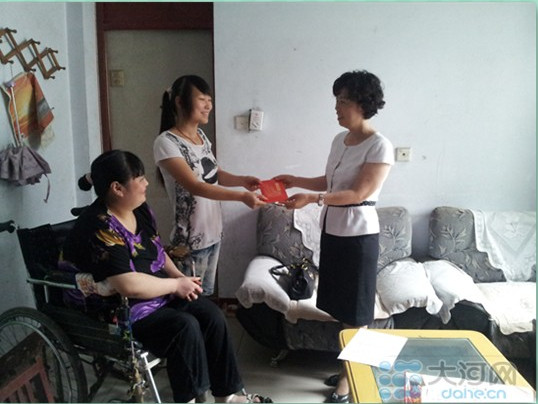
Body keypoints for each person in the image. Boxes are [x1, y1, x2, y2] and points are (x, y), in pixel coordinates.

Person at [64, 150, 271, 403]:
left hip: (156, 293)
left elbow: (157, 251)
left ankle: (226, 396)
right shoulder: (99, 225)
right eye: (140, 178)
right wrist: (174, 285)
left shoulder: (139, 209)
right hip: (120, 308)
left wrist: (181, 279)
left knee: (211, 314)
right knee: (184, 327)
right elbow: (127, 285)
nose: (146, 183)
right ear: (117, 188)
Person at [275, 70, 394, 403]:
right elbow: (331, 183)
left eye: (343, 101)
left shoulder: (380, 146)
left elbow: (358, 193)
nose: (337, 107)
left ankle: (348, 381)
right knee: (341, 308)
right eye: (336, 100)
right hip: (333, 231)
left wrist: (312, 199)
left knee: (356, 312)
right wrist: (295, 181)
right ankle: (349, 367)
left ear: (363, 103)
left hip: (358, 236)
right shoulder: (339, 140)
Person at [154, 75, 266, 296]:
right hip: (189, 240)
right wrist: (241, 197)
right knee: (189, 300)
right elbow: (195, 186)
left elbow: (215, 175)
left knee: (205, 296)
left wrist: (242, 181)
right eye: (202, 99)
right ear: (179, 102)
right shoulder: (166, 142)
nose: (208, 106)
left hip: (213, 232)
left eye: (210, 100)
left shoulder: (201, 137)